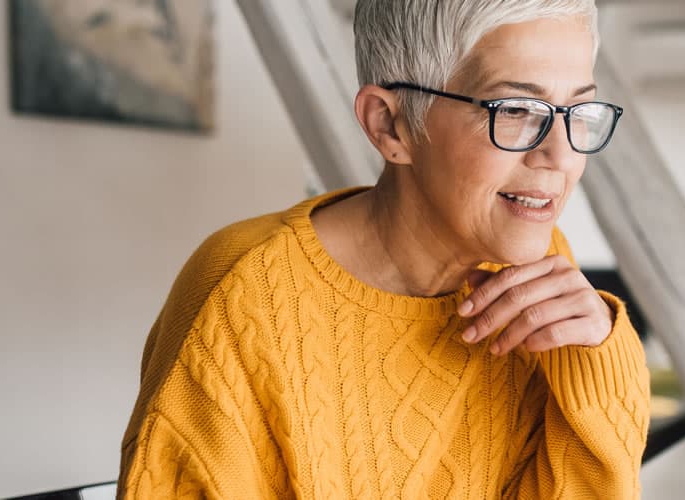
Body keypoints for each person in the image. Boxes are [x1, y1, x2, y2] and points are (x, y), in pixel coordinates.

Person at [117, 0, 650, 498]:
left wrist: (599, 356)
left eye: (578, 111)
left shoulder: (532, 267)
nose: (559, 154)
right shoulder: (243, 294)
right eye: (514, 109)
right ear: (388, 124)